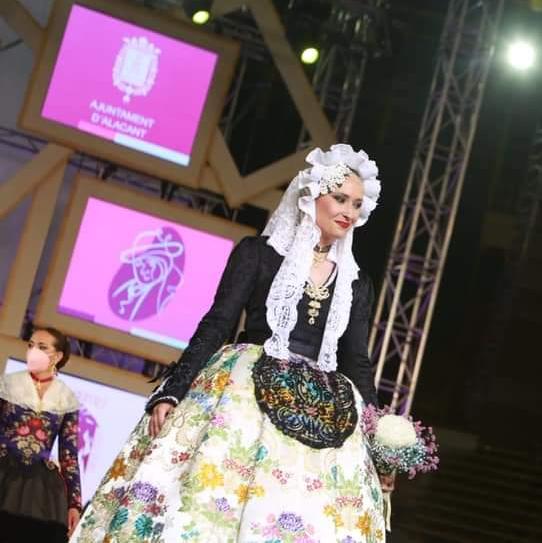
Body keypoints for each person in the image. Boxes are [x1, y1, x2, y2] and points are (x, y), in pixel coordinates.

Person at [72, 144, 388, 542]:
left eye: (356, 204)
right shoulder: (258, 254)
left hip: (322, 404)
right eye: (340, 198)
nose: (349, 212)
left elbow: (357, 361)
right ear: (311, 197)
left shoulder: (356, 284)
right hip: (244, 388)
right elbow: (219, 323)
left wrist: (378, 437)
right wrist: (173, 390)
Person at [0, 327, 82, 542]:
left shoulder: (66, 398)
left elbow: (69, 455)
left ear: (58, 356)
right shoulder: (8, 384)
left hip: (39, 487)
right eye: (31, 345)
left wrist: (74, 504)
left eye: (42, 347)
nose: (33, 350)